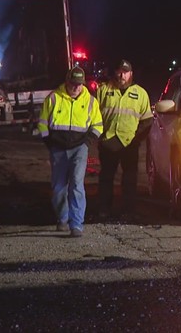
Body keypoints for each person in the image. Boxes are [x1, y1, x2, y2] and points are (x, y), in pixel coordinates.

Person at [38, 66, 103, 237]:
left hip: (79, 149)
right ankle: (62, 218)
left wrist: (86, 143)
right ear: (67, 81)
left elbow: (98, 126)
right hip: (58, 149)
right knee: (59, 187)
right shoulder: (53, 98)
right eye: (73, 84)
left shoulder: (90, 102)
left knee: (76, 184)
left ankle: (76, 224)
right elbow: (42, 123)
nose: (76, 87)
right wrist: (49, 143)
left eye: (79, 84)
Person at [96, 59, 153, 218]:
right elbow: (94, 116)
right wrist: (100, 137)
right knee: (106, 178)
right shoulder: (103, 90)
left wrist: (136, 140)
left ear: (131, 74)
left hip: (129, 144)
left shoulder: (140, 93)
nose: (122, 75)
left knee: (129, 180)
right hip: (108, 142)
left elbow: (147, 121)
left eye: (125, 72)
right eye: (119, 71)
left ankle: (129, 211)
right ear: (115, 72)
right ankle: (104, 210)